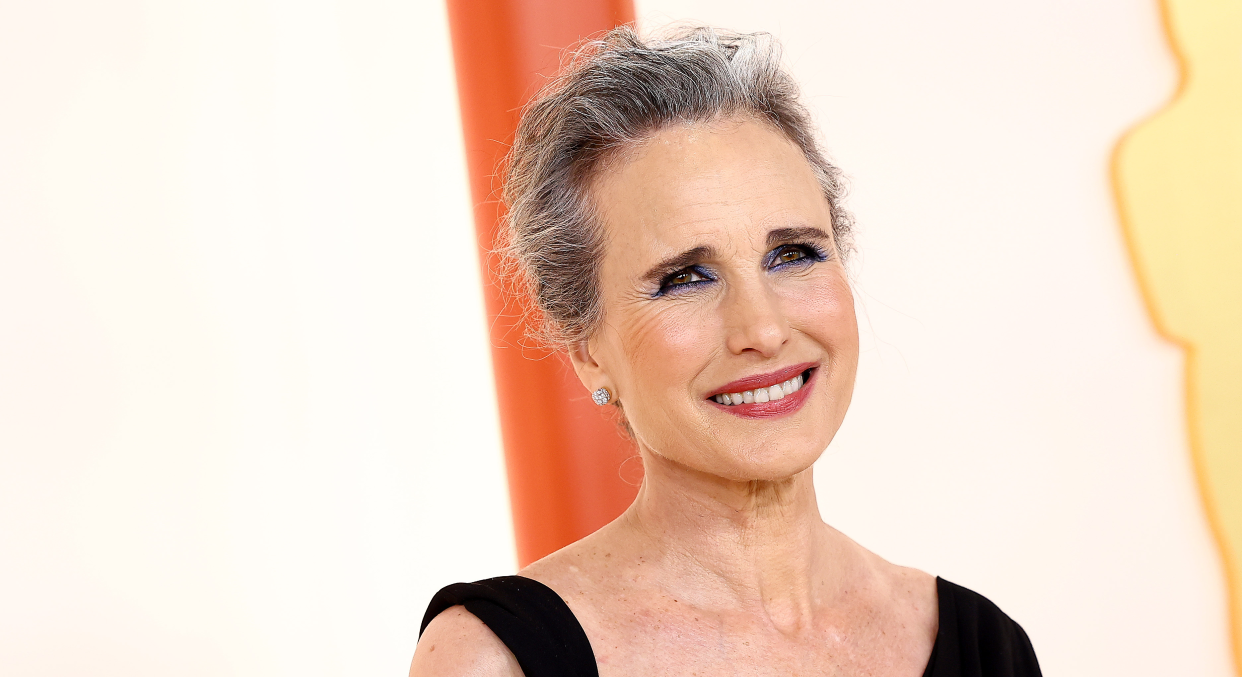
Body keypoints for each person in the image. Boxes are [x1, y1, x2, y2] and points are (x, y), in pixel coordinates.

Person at [411, 26, 1041, 677]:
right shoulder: (494, 658)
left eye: (792, 253)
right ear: (587, 347)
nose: (762, 328)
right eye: (686, 277)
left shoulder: (984, 645)